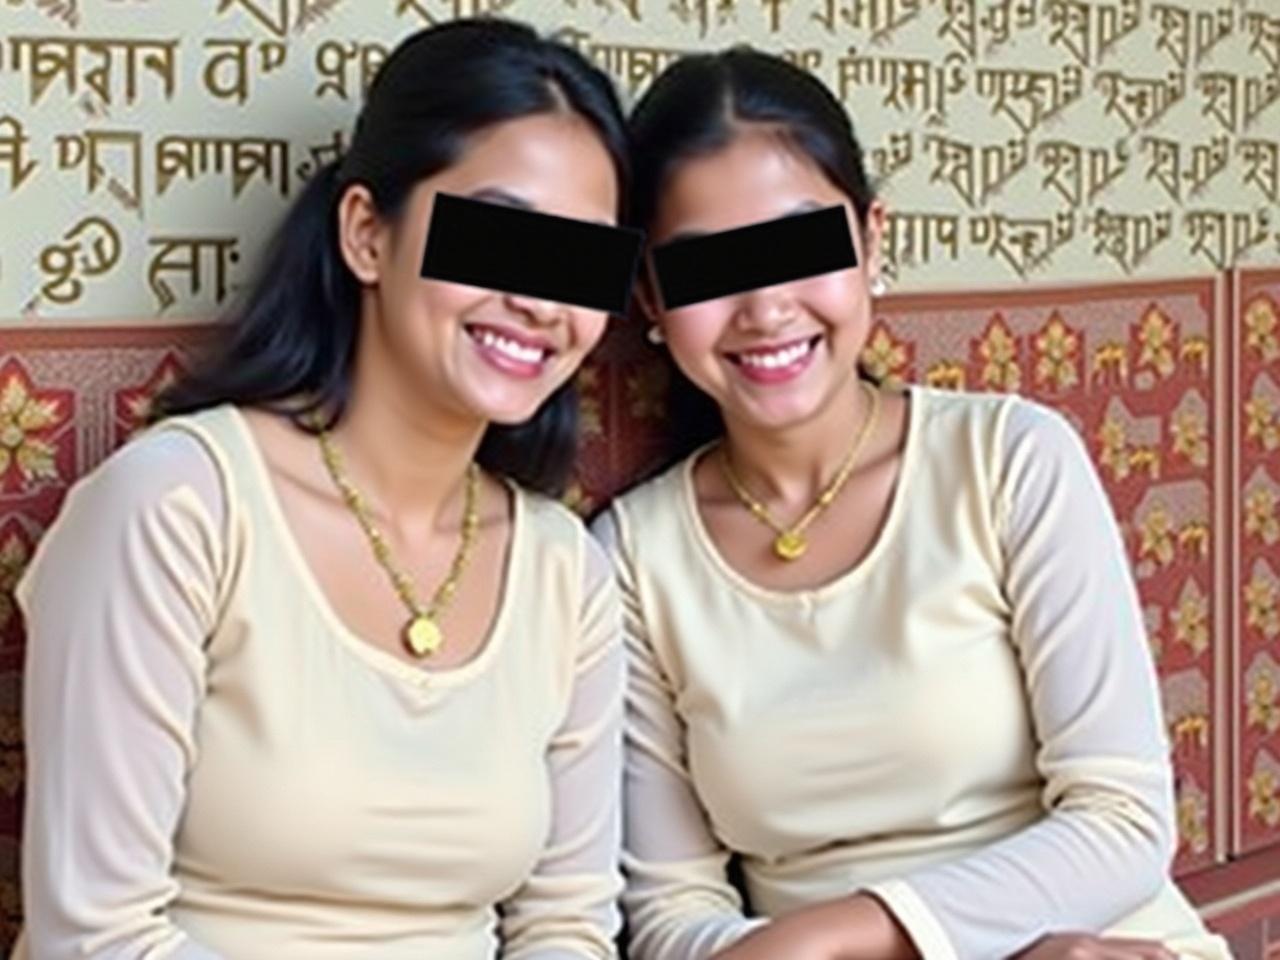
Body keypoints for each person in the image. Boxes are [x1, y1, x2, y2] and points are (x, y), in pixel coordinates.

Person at [593, 47, 1232, 960]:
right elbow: (670, 916)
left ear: (870, 242)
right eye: (708, 271)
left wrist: (839, 935)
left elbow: (1124, 818)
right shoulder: (632, 560)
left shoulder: (1010, 458)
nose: (766, 309)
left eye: (798, 247)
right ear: (652, 295)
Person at [15, 19, 630, 959]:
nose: (542, 303)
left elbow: (566, 928)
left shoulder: (565, 573)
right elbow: (92, 939)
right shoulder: (178, 508)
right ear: (366, 235)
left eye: (578, 261)